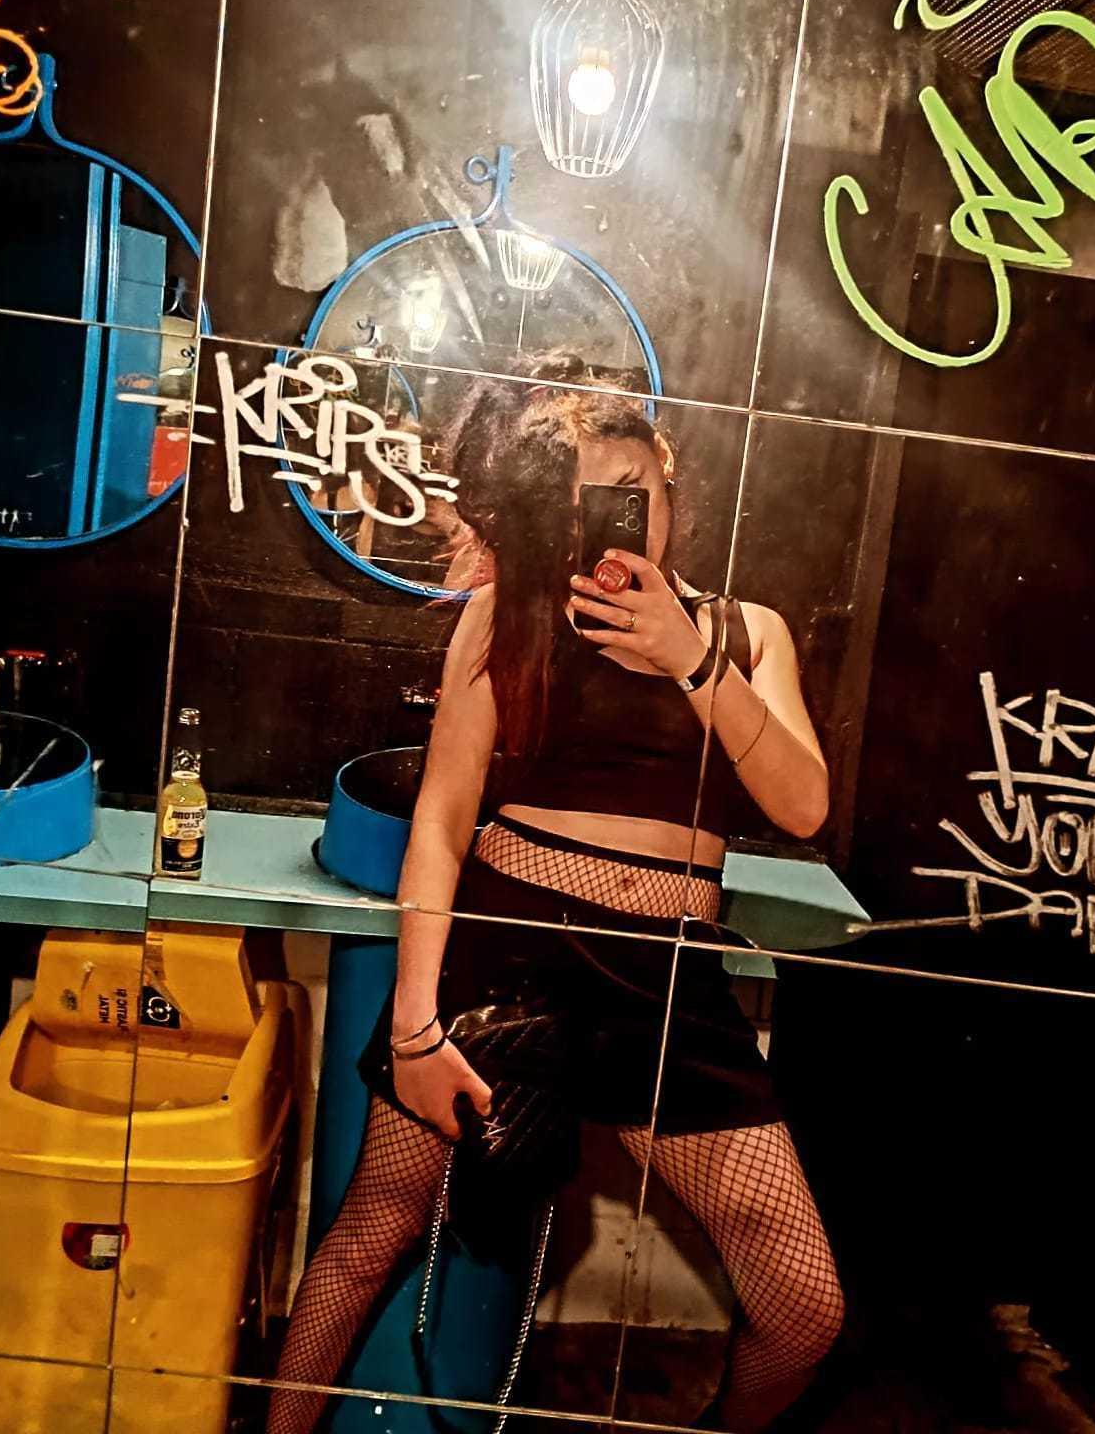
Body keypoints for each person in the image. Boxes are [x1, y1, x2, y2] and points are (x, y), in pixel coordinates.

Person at [268, 360, 844, 1433]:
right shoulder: (510, 613)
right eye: (592, 504)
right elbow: (442, 822)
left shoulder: (747, 632)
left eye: (637, 493)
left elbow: (803, 805)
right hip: (511, 947)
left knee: (804, 1307)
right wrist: (415, 1025)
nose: (622, 522)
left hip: (664, 980)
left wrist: (690, 661)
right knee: (369, 1235)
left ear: (671, 487)